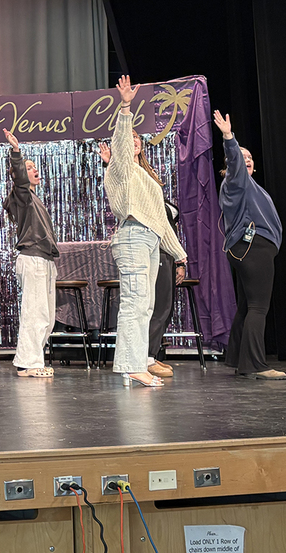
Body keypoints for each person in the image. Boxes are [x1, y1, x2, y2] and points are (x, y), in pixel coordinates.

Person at [103, 75, 187, 388]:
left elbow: (161, 222)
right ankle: (130, 365)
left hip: (150, 238)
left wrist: (180, 254)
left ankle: (138, 363)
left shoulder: (145, 178)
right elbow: (121, 143)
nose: (134, 142)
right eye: (132, 139)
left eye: (139, 139)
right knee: (135, 302)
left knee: (146, 305)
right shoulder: (122, 169)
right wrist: (125, 107)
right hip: (133, 236)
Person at [213, 110, 285, 380]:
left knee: (247, 306)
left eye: (250, 158)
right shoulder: (236, 181)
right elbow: (234, 160)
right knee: (258, 307)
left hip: (249, 249)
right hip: (254, 248)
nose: (247, 161)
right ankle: (256, 365)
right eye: (242, 159)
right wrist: (229, 137)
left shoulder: (248, 187)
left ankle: (237, 359)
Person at [2, 129, 59, 378]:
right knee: (35, 313)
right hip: (33, 257)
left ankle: (34, 358)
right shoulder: (22, 196)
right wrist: (16, 153)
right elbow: (20, 181)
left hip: (44, 259)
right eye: (28, 166)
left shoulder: (35, 200)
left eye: (34, 166)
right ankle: (28, 362)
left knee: (46, 316)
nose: (33, 169)